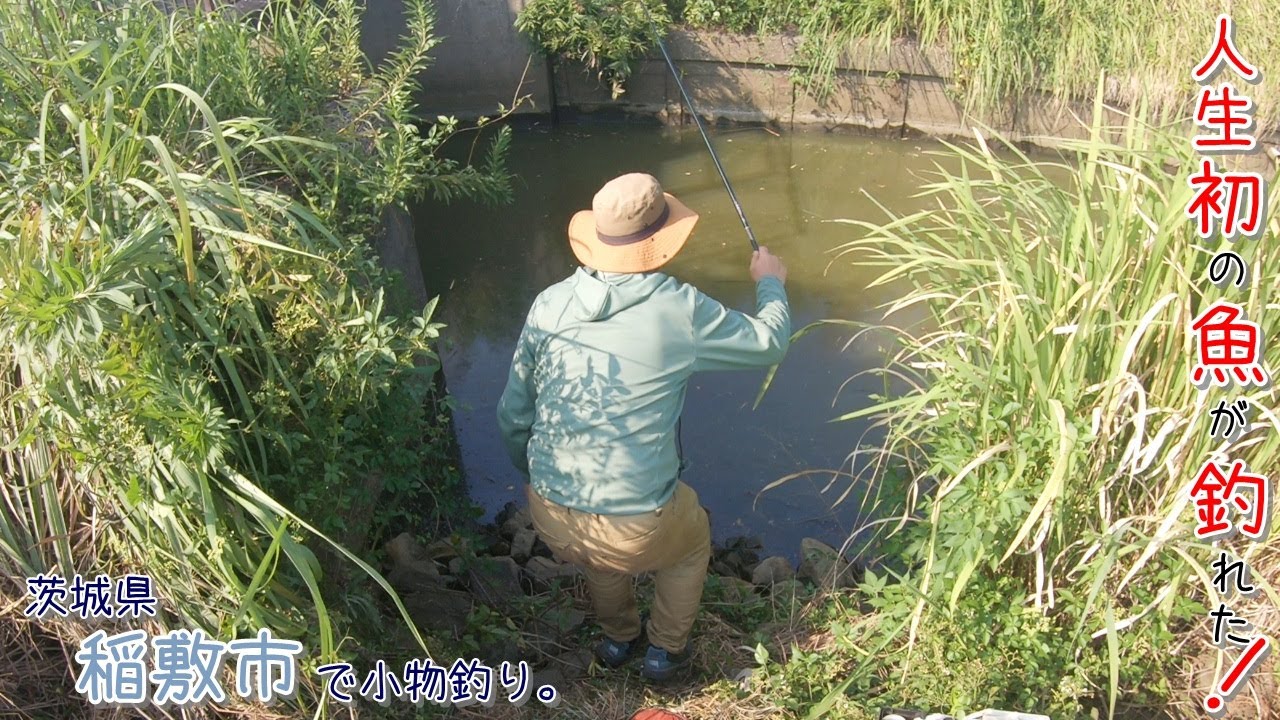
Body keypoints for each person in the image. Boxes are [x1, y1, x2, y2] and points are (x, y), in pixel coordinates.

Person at [496, 172, 790, 682]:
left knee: (602, 554)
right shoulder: (678, 308)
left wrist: (537, 479)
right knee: (691, 542)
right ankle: (665, 652)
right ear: (659, 241)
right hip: (634, 530)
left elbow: (512, 416)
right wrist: (771, 282)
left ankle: (618, 639)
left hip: (550, 516)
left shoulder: (549, 303)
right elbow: (769, 343)